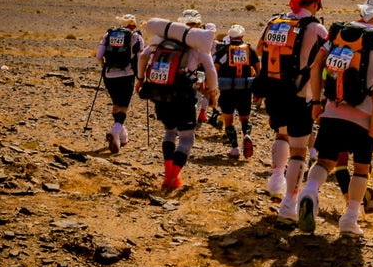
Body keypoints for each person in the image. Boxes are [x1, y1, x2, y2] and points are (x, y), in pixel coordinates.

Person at [284, 0, 373, 236]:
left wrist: (315, 103)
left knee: (325, 161)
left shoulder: (337, 33)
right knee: (361, 168)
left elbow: (315, 67)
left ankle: (310, 191)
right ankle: (350, 219)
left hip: (332, 109)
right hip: (363, 116)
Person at [255, 0, 329, 206]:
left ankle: (276, 181)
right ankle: (289, 204)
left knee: (280, 135)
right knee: (298, 151)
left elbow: (259, 50)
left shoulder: (274, 22)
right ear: (315, 4)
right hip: (300, 95)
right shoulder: (317, 29)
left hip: (274, 90)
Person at [136, 19, 218, 190]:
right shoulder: (196, 49)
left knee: (170, 131)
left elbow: (143, 57)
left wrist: (140, 79)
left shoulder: (158, 43)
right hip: (184, 98)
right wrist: (212, 93)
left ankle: (167, 174)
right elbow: (210, 71)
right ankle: (172, 178)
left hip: (160, 95)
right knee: (187, 137)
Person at [96, 15, 145, 153]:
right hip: (126, 75)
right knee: (124, 106)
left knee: (116, 104)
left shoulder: (109, 34)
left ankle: (122, 137)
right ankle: (115, 131)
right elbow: (141, 59)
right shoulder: (136, 37)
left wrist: (104, 65)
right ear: (134, 26)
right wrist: (141, 77)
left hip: (109, 75)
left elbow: (99, 56)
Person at [214, 24, 260, 158]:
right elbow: (258, 70)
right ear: (242, 36)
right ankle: (247, 134)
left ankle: (234, 148)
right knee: (245, 117)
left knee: (228, 119)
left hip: (227, 90)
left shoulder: (224, 50)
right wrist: (257, 90)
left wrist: (213, 85)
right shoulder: (249, 51)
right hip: (245, 89)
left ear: (229, 37)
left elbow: (215, 67)